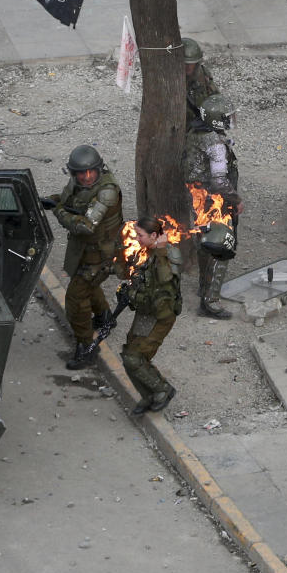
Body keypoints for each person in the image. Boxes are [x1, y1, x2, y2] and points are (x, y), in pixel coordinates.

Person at [47, 145, 124, 370]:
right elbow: (68, 201)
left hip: (101, 254)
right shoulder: (78, 183)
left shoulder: (106, 192)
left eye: (91, 172)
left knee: (74, 298)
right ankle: (104, 316)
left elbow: (87, 226)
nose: (87, 177)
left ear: (99, 169)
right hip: (85, 251)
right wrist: (50, 201)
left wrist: (58, 211)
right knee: (86, 284)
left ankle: (86, 347)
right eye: (81, 173)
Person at [117, 216, 183, 415]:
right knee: (129, 353)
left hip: (161, 315)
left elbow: (164, 282)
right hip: (146, 311)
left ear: (154, 235)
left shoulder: (169, 253)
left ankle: (163, 389)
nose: (137, 238)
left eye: (140, 235)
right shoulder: (148, 251)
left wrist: (161, 251)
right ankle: (148, 395)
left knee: (134, 358)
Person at [185, 93, 243, 318]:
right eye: (227, 117)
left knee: (204, 240)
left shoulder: (196, 133)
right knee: (222, 246)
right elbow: (219, 179)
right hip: (214, 200)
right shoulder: (216, 144)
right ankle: (211, 301)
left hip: (197, 196)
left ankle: (203, 286)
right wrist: (236, 200)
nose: (230, 119)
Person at [183, 38, 221, 127]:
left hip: (199, 122)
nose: (188, 67)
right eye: (185, 63)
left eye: (191, 63)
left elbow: (215, 97)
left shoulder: (202, 75)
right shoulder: (171, 81)